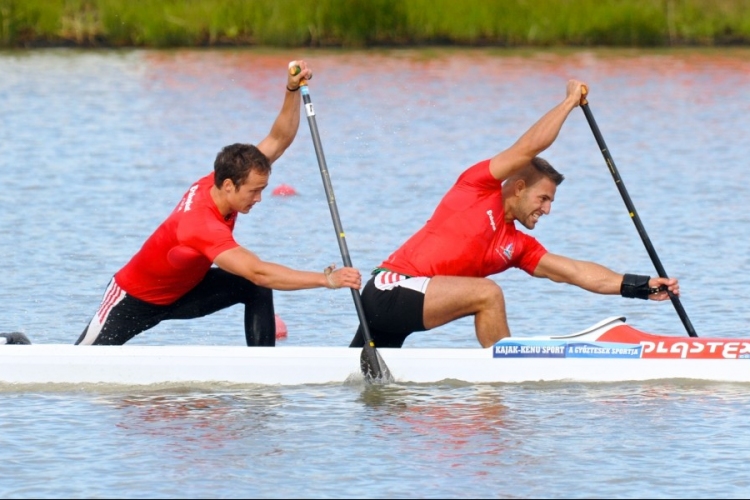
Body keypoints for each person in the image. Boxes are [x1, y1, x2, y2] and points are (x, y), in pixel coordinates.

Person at [350, 79, 679, 349]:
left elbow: (575, 272)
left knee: (365, 388)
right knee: (487, 294)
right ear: (519, 187)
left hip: (407, 305)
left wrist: (642, 287)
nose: (547, 210)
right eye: (544, 198)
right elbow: (529, 148)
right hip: (388, 291)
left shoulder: (516, 245)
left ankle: (499, 380)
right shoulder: (478, 186)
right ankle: (505, 378)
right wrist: (568, 103)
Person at [77, 60, 362, 347]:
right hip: (133, 300)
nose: (259, 198)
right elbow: (258, 271)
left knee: (253, 289)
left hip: (184, 291)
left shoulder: (226, 175)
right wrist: (327, 280)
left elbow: (279, 138)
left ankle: (262, 372)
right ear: (229, 186)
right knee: (78, 363)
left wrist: (291, 89)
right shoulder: (201, 223)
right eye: (254, 192)